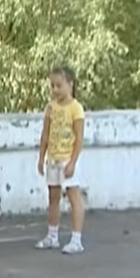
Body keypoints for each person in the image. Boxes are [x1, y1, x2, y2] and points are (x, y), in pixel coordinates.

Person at [36, 65, 86, 254]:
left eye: (59, 85)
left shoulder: (76, 108)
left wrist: (72, 162)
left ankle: (76, 239)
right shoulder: (51, 108)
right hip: (53, 158)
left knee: (73, 196)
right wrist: (41, 157)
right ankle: (52, 236)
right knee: (53, 197)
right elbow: (45, 134)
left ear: (70, 84)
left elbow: (79, 138)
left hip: (67, 158)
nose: (55, 90)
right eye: (52, 86)